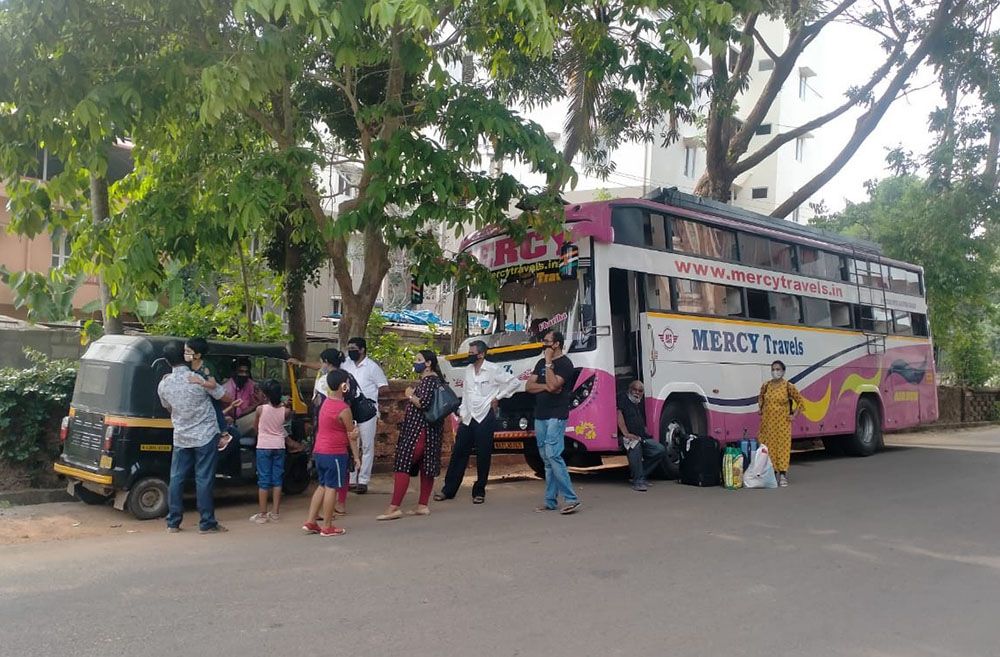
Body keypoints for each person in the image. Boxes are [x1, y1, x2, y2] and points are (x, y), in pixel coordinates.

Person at [157, 340, 232, 534]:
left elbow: (169, 408)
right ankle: (207, 523)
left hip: (181, 436)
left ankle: (173, 522)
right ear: (185, 357)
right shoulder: (198, 379)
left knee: (177, 478)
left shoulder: (164, 384)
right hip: (205, 435)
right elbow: (226, 397)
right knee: (204, 479)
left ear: (167, 361)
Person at [436, 340, 519, 504]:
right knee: (459, 452)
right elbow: (466, 393)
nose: (470, 355)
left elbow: (514, 382)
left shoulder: (492, 369)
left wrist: (498, 397)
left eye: (472, 353)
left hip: (484, 415)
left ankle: (479, 491)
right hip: (468, 416)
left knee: (483, 454)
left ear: (481, 354)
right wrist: (462, 413)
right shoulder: (468, 370)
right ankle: (448, 490)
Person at [377, 350, 445, 521]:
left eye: (419, 359)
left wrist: (410, 395)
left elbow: (423, 403)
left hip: (419, 430)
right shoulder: (435, 380)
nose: (416, 362)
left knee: (403, 462)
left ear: (428, 363)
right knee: (426, 465)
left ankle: (394, 506)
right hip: (430, 430)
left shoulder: (429, 381)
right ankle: (422, 505)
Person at [525, 330, 581, 515]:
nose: (544, 344)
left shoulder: (565, 364)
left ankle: (571, 498)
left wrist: (549, 363)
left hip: (556, 415)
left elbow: (555, 385)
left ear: (556, 344)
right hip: (540, 415)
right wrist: (546, 386)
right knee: (546, 459)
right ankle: (550, 501)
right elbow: (529, 386)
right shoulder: (539, 363)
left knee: (553, 454)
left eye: (547, 341)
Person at [303, 369, 360, 537]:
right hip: (335, 452)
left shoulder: (325, 403)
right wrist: (357, 457)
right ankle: (327, 526)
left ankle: (311, 521)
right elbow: (351, 435)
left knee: (322, 485)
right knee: (332, 488)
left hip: (320, 451)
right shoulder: (344, 409)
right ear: (343, 386)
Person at [342, 337, 388, 494]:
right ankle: (352, 478)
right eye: (349, 348)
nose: (351, 351)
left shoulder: (372, 367)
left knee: (367, 446)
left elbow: (384, 387)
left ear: (362, 350)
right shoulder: (346, 364)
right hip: (350, 409)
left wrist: (369, 396)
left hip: (367, 411)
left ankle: (363, 480)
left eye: (353, 348)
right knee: (352, 444)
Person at [185, 337, 240, 453]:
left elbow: (213, 384)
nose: (185, 354)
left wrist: (200, 382)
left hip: (211, 393)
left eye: (188, 351)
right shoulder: (187, 365)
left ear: (198, 355)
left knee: (215, 408)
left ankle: (224, 433)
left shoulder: (206, 367)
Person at [757, 360, 804, 487]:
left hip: (783, 424)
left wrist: (794, 415)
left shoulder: (788, 386)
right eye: (773, 369)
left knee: (782, 448)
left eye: (778, 369)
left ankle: (782, 475)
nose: (775, 372)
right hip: (768, 424)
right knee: (769, 448)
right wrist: (761, 408)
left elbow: (800, 401)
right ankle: (772, 474)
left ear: (783, 371)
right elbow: (761, 397)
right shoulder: (766, 385)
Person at [250, 379, 291, 523]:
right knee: (277, 480)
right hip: (279, 446)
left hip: (263, 446)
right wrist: (285, 402)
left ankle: (262, 514)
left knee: (263, 480)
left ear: (265, 395)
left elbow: (255, 426)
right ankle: (275, 513)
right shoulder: (286, 411)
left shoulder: (260, 409)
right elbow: (285, 410)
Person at [615, 379, 666, 492]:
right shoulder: (623, 399)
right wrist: (626, 433)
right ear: (629, 390)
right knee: (634, 445)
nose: (637, 393)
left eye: (640, 391)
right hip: (624, 437)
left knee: (659, 450)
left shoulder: (638, 403)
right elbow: (619, 416)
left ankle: (640, 475)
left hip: (641, 437)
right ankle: (638, 481)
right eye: (635, 390)